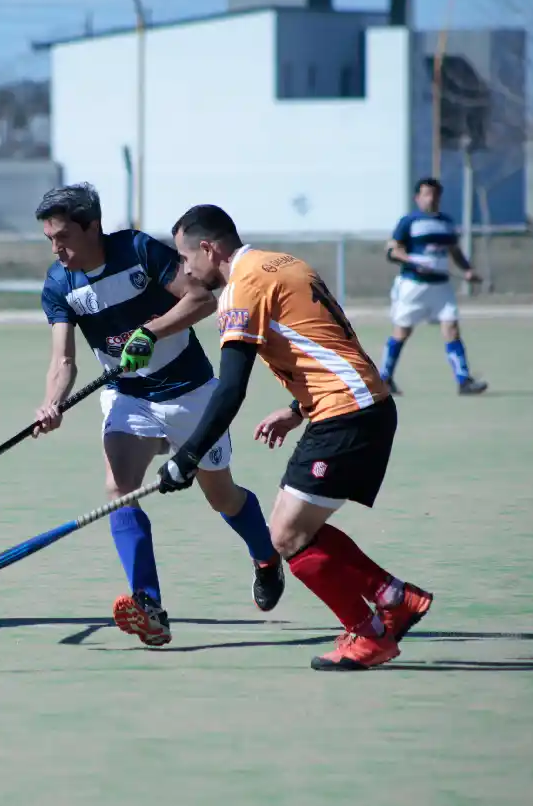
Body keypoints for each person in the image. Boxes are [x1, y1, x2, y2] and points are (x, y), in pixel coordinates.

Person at [156, 204, 433, 670]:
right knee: (299, 528)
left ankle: (371, 636)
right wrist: (295, 409)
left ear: (209, 248)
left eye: (186, 258)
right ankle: (394, 598)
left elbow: (230, 389)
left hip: (346, 416)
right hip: (360, 405)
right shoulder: (282, 262)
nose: (186, 269)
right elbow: (328, 342)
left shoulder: (242, 288)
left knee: (285, 537)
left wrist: (187, 457)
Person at [34, 184, 282, 647]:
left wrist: (149, 331)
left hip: (190, 392)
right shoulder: (58, 283)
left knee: (222, 497)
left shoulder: (137, 249)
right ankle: (148, 605)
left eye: (64, 236)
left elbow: (201, 300)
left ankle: (266, 558)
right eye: (50, 238)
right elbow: (63, 361)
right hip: (128, 397)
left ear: (93, 227)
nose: (57, 248)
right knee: (118, 489)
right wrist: (52, 403)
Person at [379, 177, 487, 395]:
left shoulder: (446, 222)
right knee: (402, 332)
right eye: (427, 194)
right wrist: (411, 261)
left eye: (435, 194)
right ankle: (384, 379)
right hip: (413, 286)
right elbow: (392, 250)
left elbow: (455, 252)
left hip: (441, 287)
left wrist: (467, 270)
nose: (432, 199)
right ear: (417, 198)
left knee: (452, 329)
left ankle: (464, 381)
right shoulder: (409, 221)